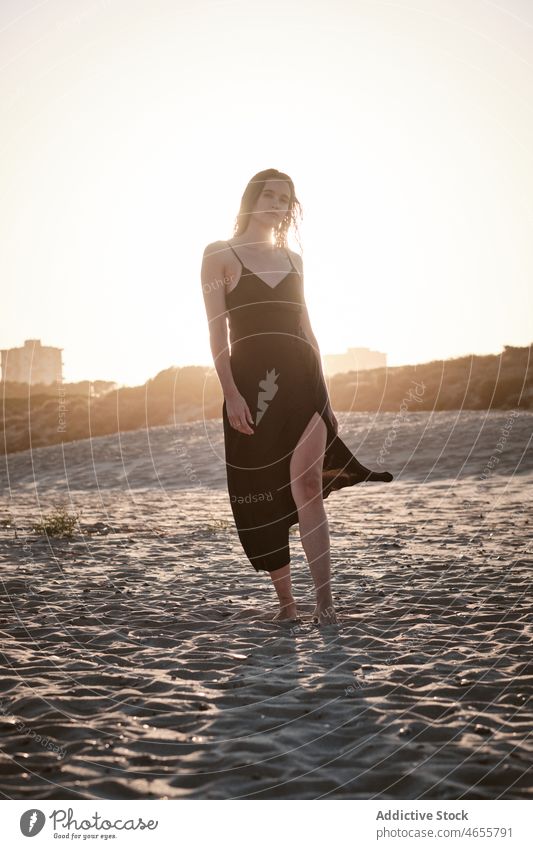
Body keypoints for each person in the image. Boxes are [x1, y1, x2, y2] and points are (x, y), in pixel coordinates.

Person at [201, 168, 393, 625]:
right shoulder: (218, 255)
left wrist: (325, 394)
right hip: (252, 386)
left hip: (304, 382)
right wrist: (231, 394)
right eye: (269, 195)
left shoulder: (294, 260)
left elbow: (307, 329)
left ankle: (326, 606)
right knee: (262, 492)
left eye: (285, 199)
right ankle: (287, 603)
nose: (277, 204)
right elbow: (216, 334)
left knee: (307, 486)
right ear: (252, 199)